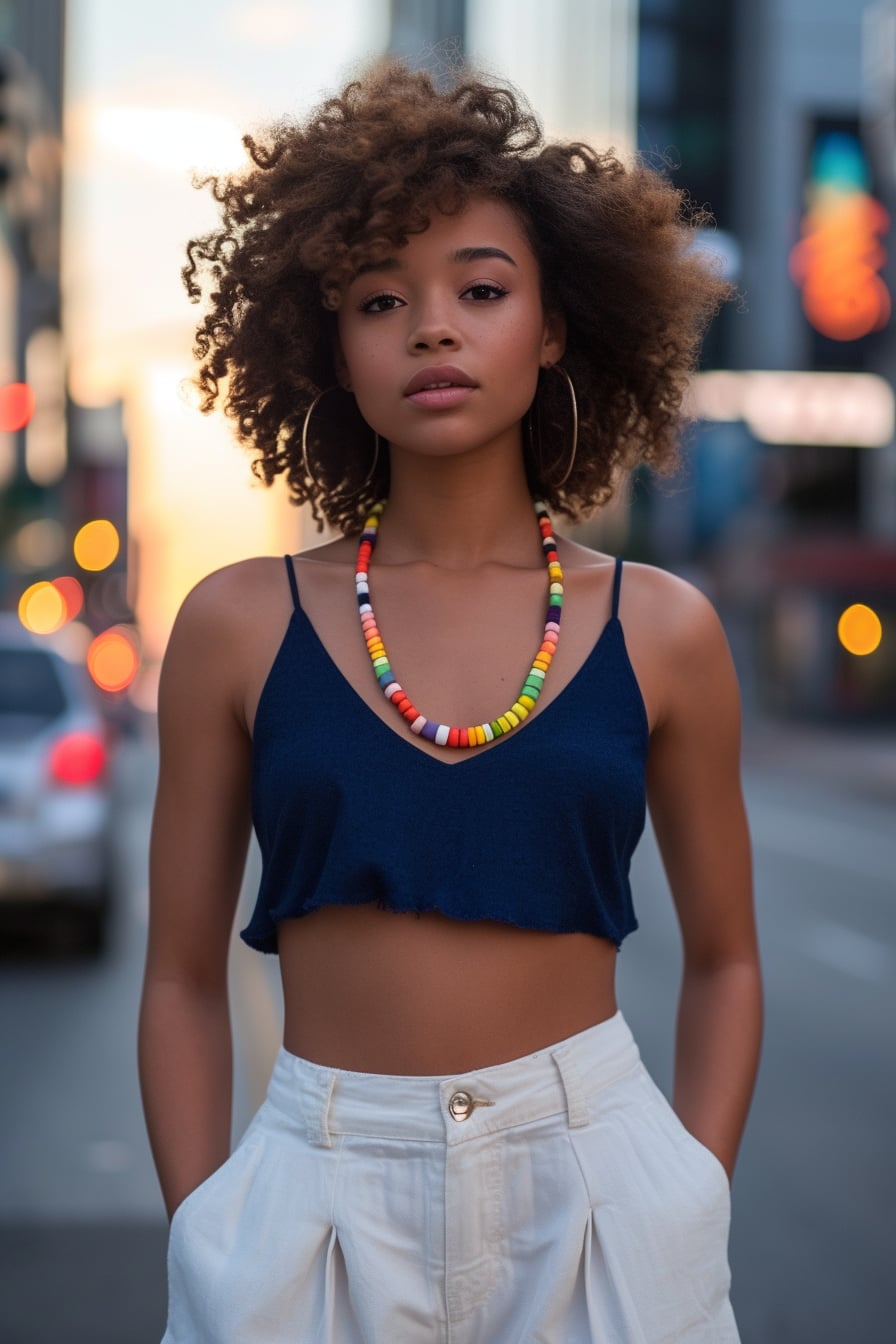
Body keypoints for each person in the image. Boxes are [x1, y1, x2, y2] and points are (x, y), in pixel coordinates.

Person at [139, 57, 762, 1343]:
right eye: (381, 299)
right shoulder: (237, 624)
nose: (432, 326)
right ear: (333, 351)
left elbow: (727, 959)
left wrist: (684, 1197)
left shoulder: (665, 630)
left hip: (597, 1194)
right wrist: (206, 1227)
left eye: (479, 290)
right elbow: (181, 978)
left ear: (550, 326)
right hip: (312, 1188)